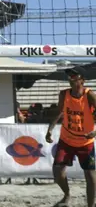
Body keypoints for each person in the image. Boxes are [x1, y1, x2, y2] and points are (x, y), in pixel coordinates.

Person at [47, 66, 96, 207]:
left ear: (83, 80)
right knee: (57, 173)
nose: (71, 79)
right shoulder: (64, 94)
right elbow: (59, 112)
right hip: (66, 139)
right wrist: (50, 129)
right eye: (69, 77)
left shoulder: (89, 95)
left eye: (74, 77)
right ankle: (67, 195)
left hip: (85, 142)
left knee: (91, 176)